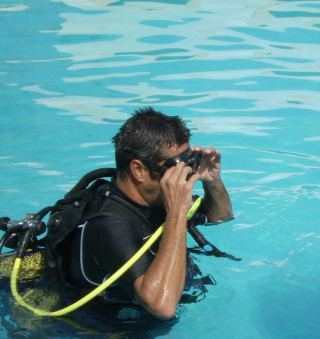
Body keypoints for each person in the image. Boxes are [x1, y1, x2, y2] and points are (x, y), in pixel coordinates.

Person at [64, 107, 233, 319]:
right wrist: (177, 214)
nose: (187, 172)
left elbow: (221, 217)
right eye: (177, 165)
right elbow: (162, 307)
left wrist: (212, 181)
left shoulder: (156, 196)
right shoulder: (107, 224)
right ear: (139, 170)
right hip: (105, 330)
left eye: (190, 160)